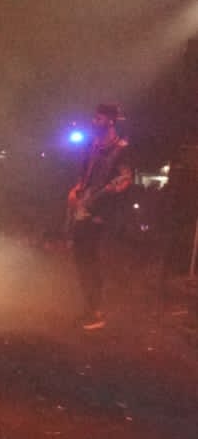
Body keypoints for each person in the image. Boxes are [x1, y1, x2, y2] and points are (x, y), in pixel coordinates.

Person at [66, 101, 133, 331]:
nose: (94, 122)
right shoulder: (93, 146)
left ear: (111, 121)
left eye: (99, 118)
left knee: (90, 258)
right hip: (85, 207)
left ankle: (96, 311)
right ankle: (90, 307)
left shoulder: (121, 149)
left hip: (102, 211)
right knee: (81, 258)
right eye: (94, 118)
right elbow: (85, 176)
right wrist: (76, 191)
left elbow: (125, 179)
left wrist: (114, 189)